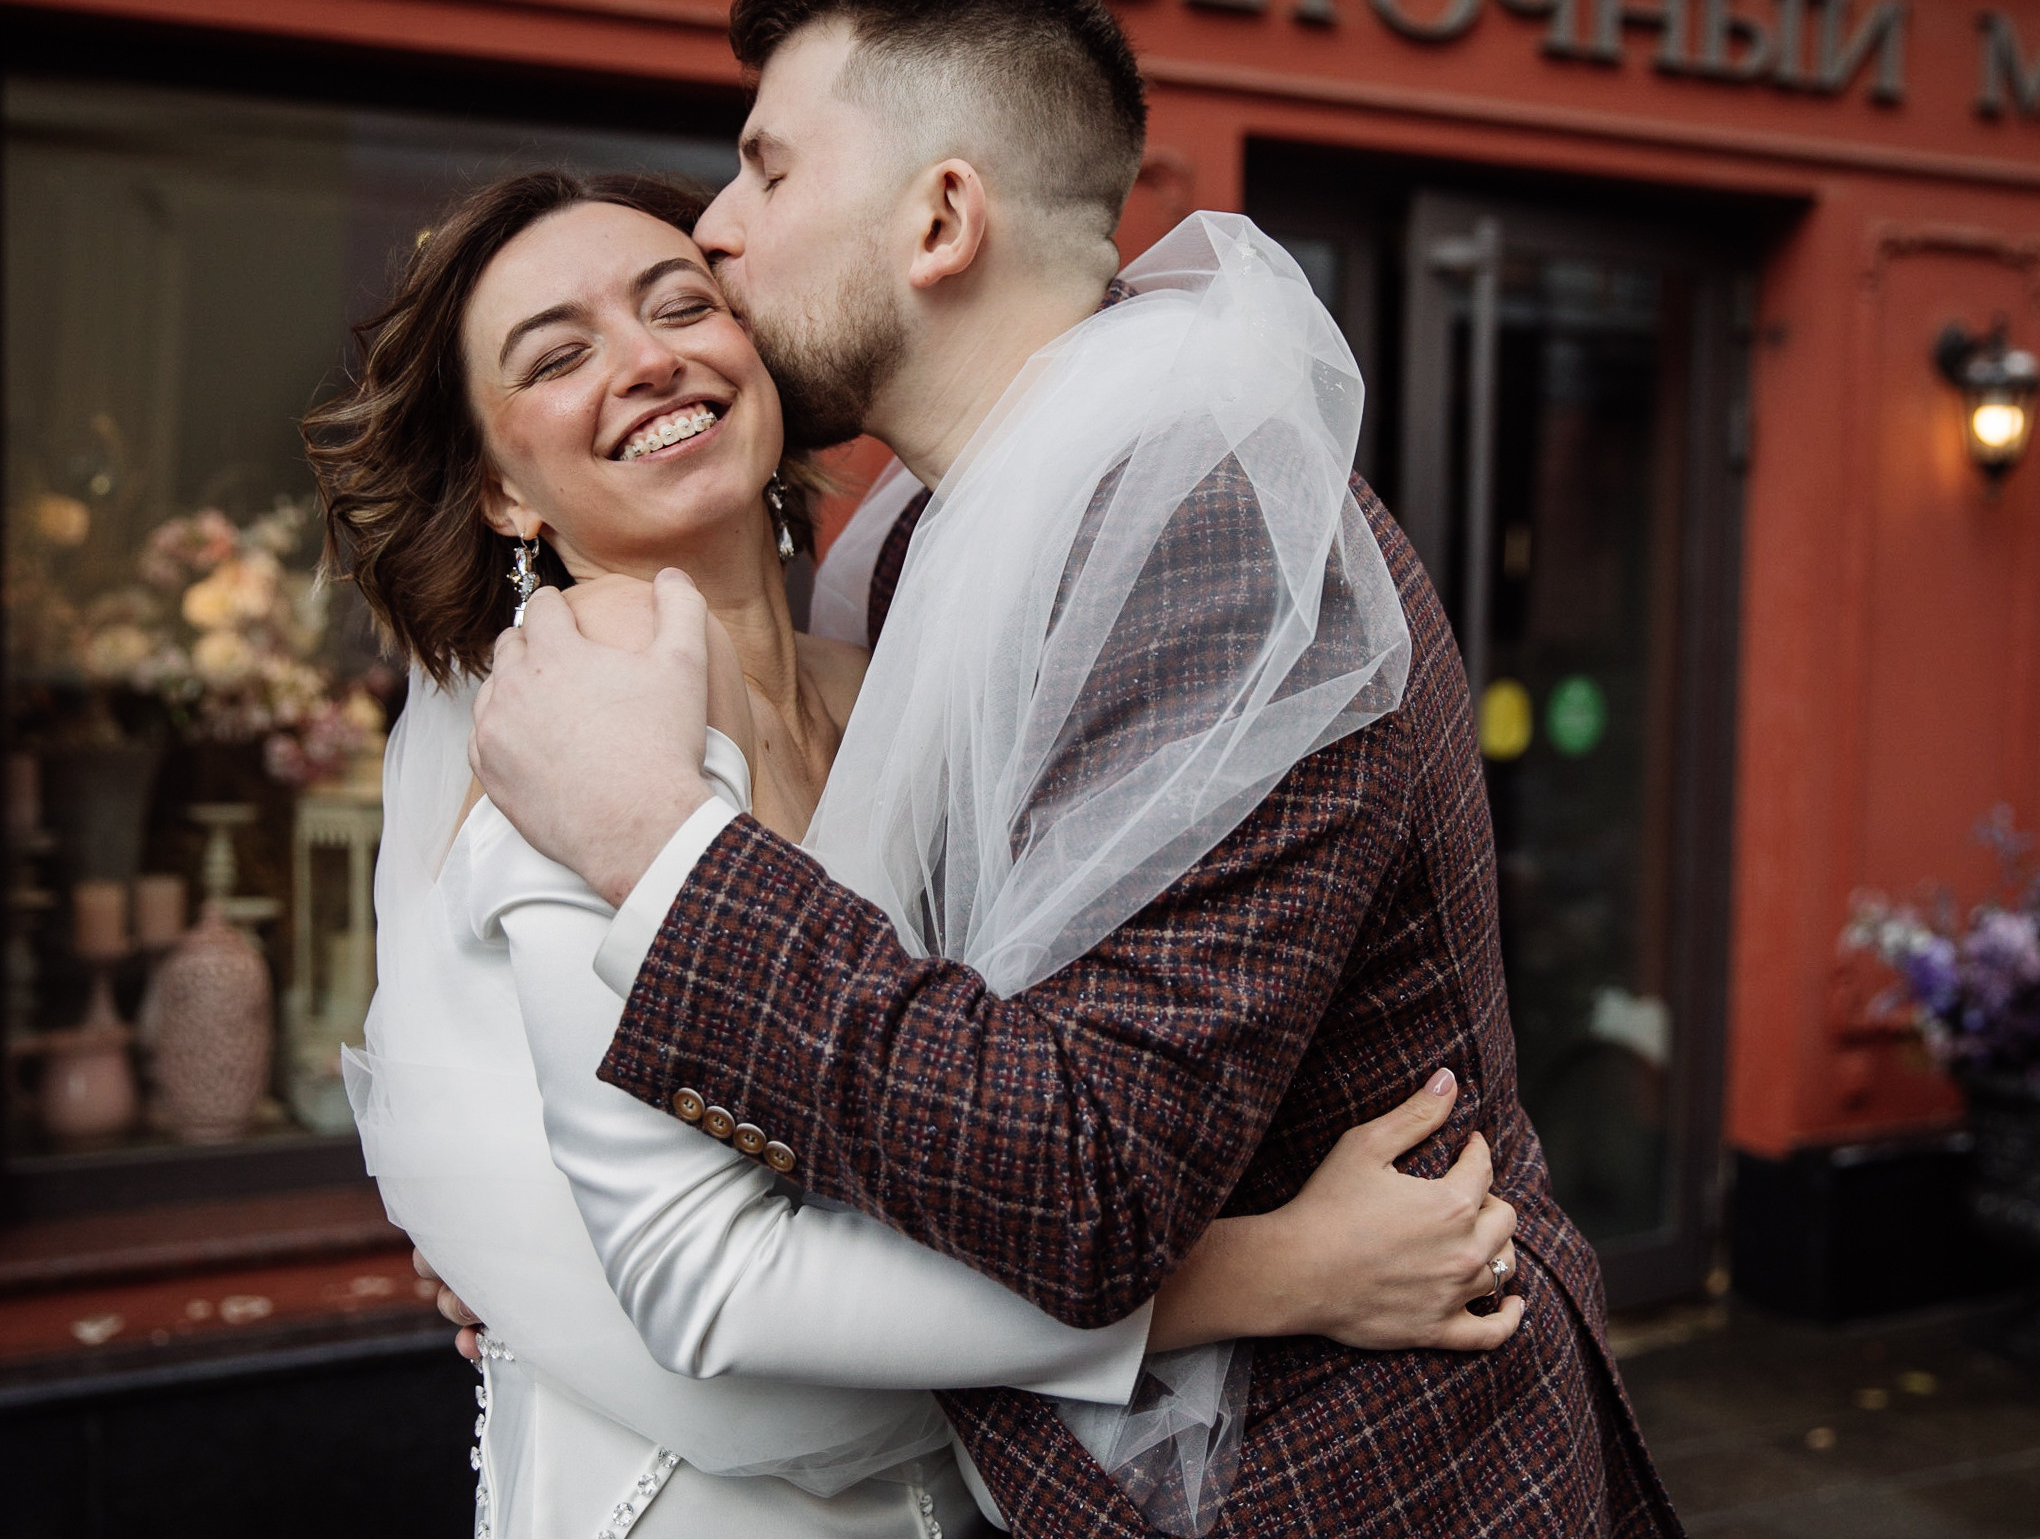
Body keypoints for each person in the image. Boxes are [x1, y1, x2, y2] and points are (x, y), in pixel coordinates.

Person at [471, 0, 1682, 1539]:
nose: (718, 226)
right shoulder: (905, 544)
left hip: (1347, 1480)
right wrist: (527, 1254)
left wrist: (654, 852)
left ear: (940, 218)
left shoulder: (1207, 533)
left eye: (765, 170)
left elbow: (1083, 1183)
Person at [305, 168, 1528, 1539]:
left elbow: (981, 1083)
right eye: (560, 355)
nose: (648, 361)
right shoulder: (578, 732)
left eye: (681, 305)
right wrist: (1276, 1275)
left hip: (956, 1487)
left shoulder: (882, 667)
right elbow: (706, 1284)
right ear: (501, 494)